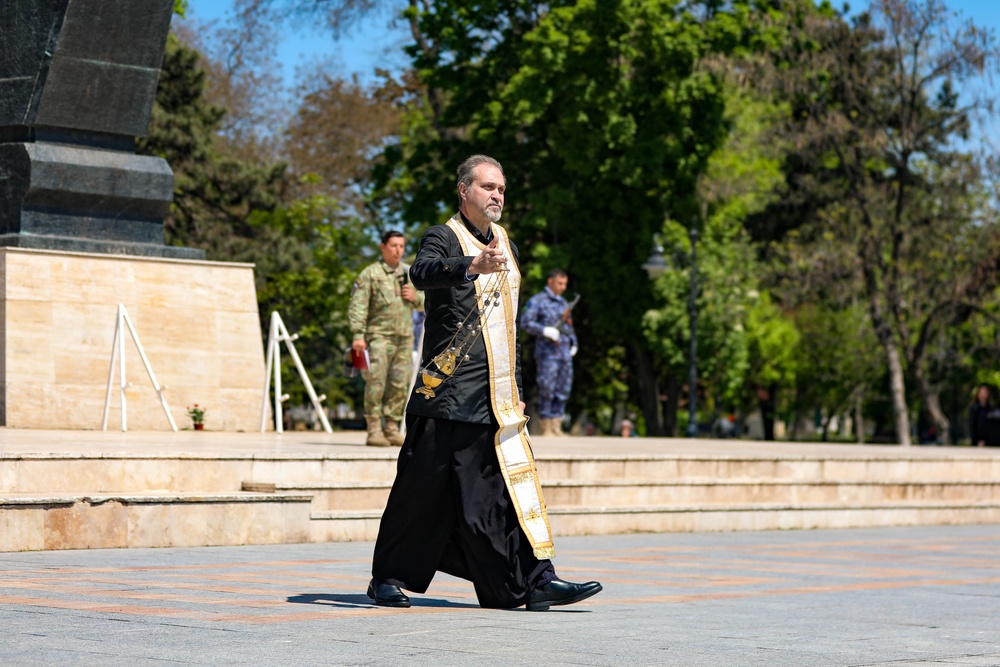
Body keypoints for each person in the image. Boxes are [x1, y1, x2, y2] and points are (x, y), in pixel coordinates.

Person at [367, 154, 603, 611]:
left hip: (496, 398)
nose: (497, 196)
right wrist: (470, 266)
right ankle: (388, 578)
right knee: (420, 494)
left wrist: (515, 385)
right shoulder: (443, 236)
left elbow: (508, 323)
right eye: (488, 187)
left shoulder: (505, 240)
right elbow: (422, 273)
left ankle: (534, 580)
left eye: (501, 189)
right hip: (447, 396)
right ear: (464, 191)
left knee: (504, 496)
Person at [348, 231, 425, 447]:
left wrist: (415, 297)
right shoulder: (370, 274)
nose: (398, 250)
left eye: (401, 246)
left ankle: (391, 428)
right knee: (376, 383)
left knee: (399, 385)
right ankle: (374, 429)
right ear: (382, 247)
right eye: (393, 246)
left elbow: (424, 302)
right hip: (378, 337)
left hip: (403, 337)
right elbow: (358, 307)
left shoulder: (409, 273)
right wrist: (357, 335)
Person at [521, 268, 578, 436]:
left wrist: (574, 342)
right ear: (550, 281)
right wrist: (544, 330)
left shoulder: (563, 303)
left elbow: (569, 326)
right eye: (560, 283)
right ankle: (546, 426)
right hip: (547, 353)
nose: (563, 287)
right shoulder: (538, 301)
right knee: (547, 387)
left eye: (565, 284)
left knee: (563, 388)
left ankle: (557, 425)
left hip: (564, 352)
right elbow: (526, 322)